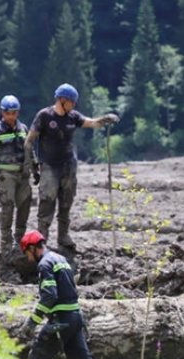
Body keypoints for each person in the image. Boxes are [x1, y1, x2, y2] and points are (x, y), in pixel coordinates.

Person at [24, 83, 119, 249]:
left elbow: (91, 123)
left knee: (66, 201)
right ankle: (42, 237)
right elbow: (29, 141)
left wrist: (105, 119)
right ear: (61, 100)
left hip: (68, 166)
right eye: (71, 102)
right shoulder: (44, 116)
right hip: (49, 167)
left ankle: (63, 236)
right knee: (47, 202)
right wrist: (33, 164)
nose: (74, 105)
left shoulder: (72, 116)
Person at [17, 230, 103, 359]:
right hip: (75, 316)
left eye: (27, 254)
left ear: (32, 248)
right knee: (81, 357)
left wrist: (32, 322)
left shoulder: (45, 264)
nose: (28, 259)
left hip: (61, 320)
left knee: (37, 357)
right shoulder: (60, 259)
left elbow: (50, 296)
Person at [0, 95, 32, 260]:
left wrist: (34, 167)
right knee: (7, 207)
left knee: (25, 206)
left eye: (14, 112)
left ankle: (20, 240)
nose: (11, 116)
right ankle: (6, 242)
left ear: (18, 112)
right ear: (2, 112)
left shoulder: (23, 129)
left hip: (23, 175)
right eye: (7, 112)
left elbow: (29, 151)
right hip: (5, 176)